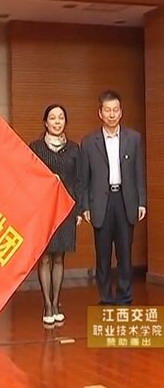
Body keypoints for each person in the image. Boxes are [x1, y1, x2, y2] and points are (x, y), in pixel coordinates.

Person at [81, 90, 146, 305]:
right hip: (101, 203)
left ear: (121, 112)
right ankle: (106, 296)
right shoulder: (89, 142)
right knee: (103, 254)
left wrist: (141, 201)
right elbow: (84, 178)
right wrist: (85, 206)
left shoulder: (133, 138)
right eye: (107, 110)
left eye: (115, 110)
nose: (111, 114)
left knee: (125, 252)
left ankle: (125, 296)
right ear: (100, 113)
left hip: (125, 200)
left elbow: (138, 172)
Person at [30, 104, 82, 324]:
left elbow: (79, 180)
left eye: (61, 117)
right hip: (43, 210)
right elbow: (28, 177)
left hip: (65, 209)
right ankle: (47, 306)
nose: (57, 121)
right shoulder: (35, 148)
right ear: (45, 122)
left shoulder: (74, 149)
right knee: (44, 257)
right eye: (53, 118)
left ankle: (56, 301)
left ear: (65, 122)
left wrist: (78, 210)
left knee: (59, 256)